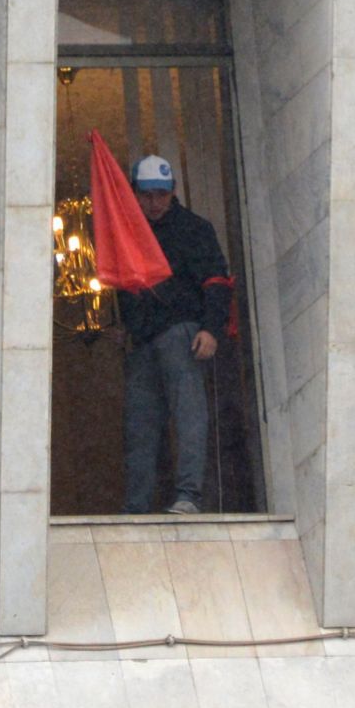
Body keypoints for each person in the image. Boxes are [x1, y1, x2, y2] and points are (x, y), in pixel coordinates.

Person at [117, 154, 232, 514]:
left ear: (173, 192)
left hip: (181, 332)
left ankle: (188, 496)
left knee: (188, 417)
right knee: (140, 429)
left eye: (161, 194)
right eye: (147, 195)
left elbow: (217, 282)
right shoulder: (129, 233)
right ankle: (136, 505)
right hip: (143, 340)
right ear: (135, 193)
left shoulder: (193, 228)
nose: (155, 202)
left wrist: (211, 329)